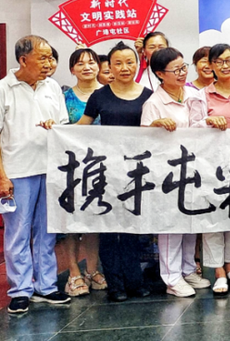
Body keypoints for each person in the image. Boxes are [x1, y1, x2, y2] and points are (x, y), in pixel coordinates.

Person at [0, 36, 71, 314]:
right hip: (17, 171)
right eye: (42, 58)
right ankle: (20, 290)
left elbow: (64, 127)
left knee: (47, 232)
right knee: (18, 233)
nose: (48, 63)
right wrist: (2, 176)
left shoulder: (52, 87)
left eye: (50, 58)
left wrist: (55, 127)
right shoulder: (4, 89)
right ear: (23, 59)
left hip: (51, 170)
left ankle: (46, 286)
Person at [78, 42, 153, 302]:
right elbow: (82, 127)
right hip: (107, 171)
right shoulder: (99, 96)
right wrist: (56, 129)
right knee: (109, 230)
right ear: (108, 66)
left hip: (138, 172)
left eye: (129, 62)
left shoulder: (148, 95)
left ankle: (135, 281)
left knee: (133, 228)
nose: (124, 68)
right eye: (117, 63)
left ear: (137, 64)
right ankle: (115, 284)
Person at [141, 47, 214, 298]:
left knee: (190, 221)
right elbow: (143, 142)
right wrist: (155, 126)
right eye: (176, 70)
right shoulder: (153, 103)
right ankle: (171, 278)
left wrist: (210, 122)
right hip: (167, 173)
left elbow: (198, 127)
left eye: (184, 67)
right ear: (160, 74)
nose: (182, 73)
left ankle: (187, 269)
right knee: (171, 225)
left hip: (193, 168)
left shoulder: (194, 95)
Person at [200, 43, 230, 295]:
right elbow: (193, 126)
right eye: (219, 61)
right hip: (210, 164)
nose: (225, 65)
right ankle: (218, 271)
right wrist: (207, 121)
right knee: (213, 218)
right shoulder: (201, 95)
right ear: (211, 66)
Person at [60, 48, 106, 297]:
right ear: (72, 69)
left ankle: (92, 269)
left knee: (94, 219)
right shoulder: (64, 98)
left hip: (102, 167)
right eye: (80, 63)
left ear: (99, 66)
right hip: (72, 167)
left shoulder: (108, 93)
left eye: (91, 62)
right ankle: (73, 272)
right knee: (71, 221)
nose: (87, 67)